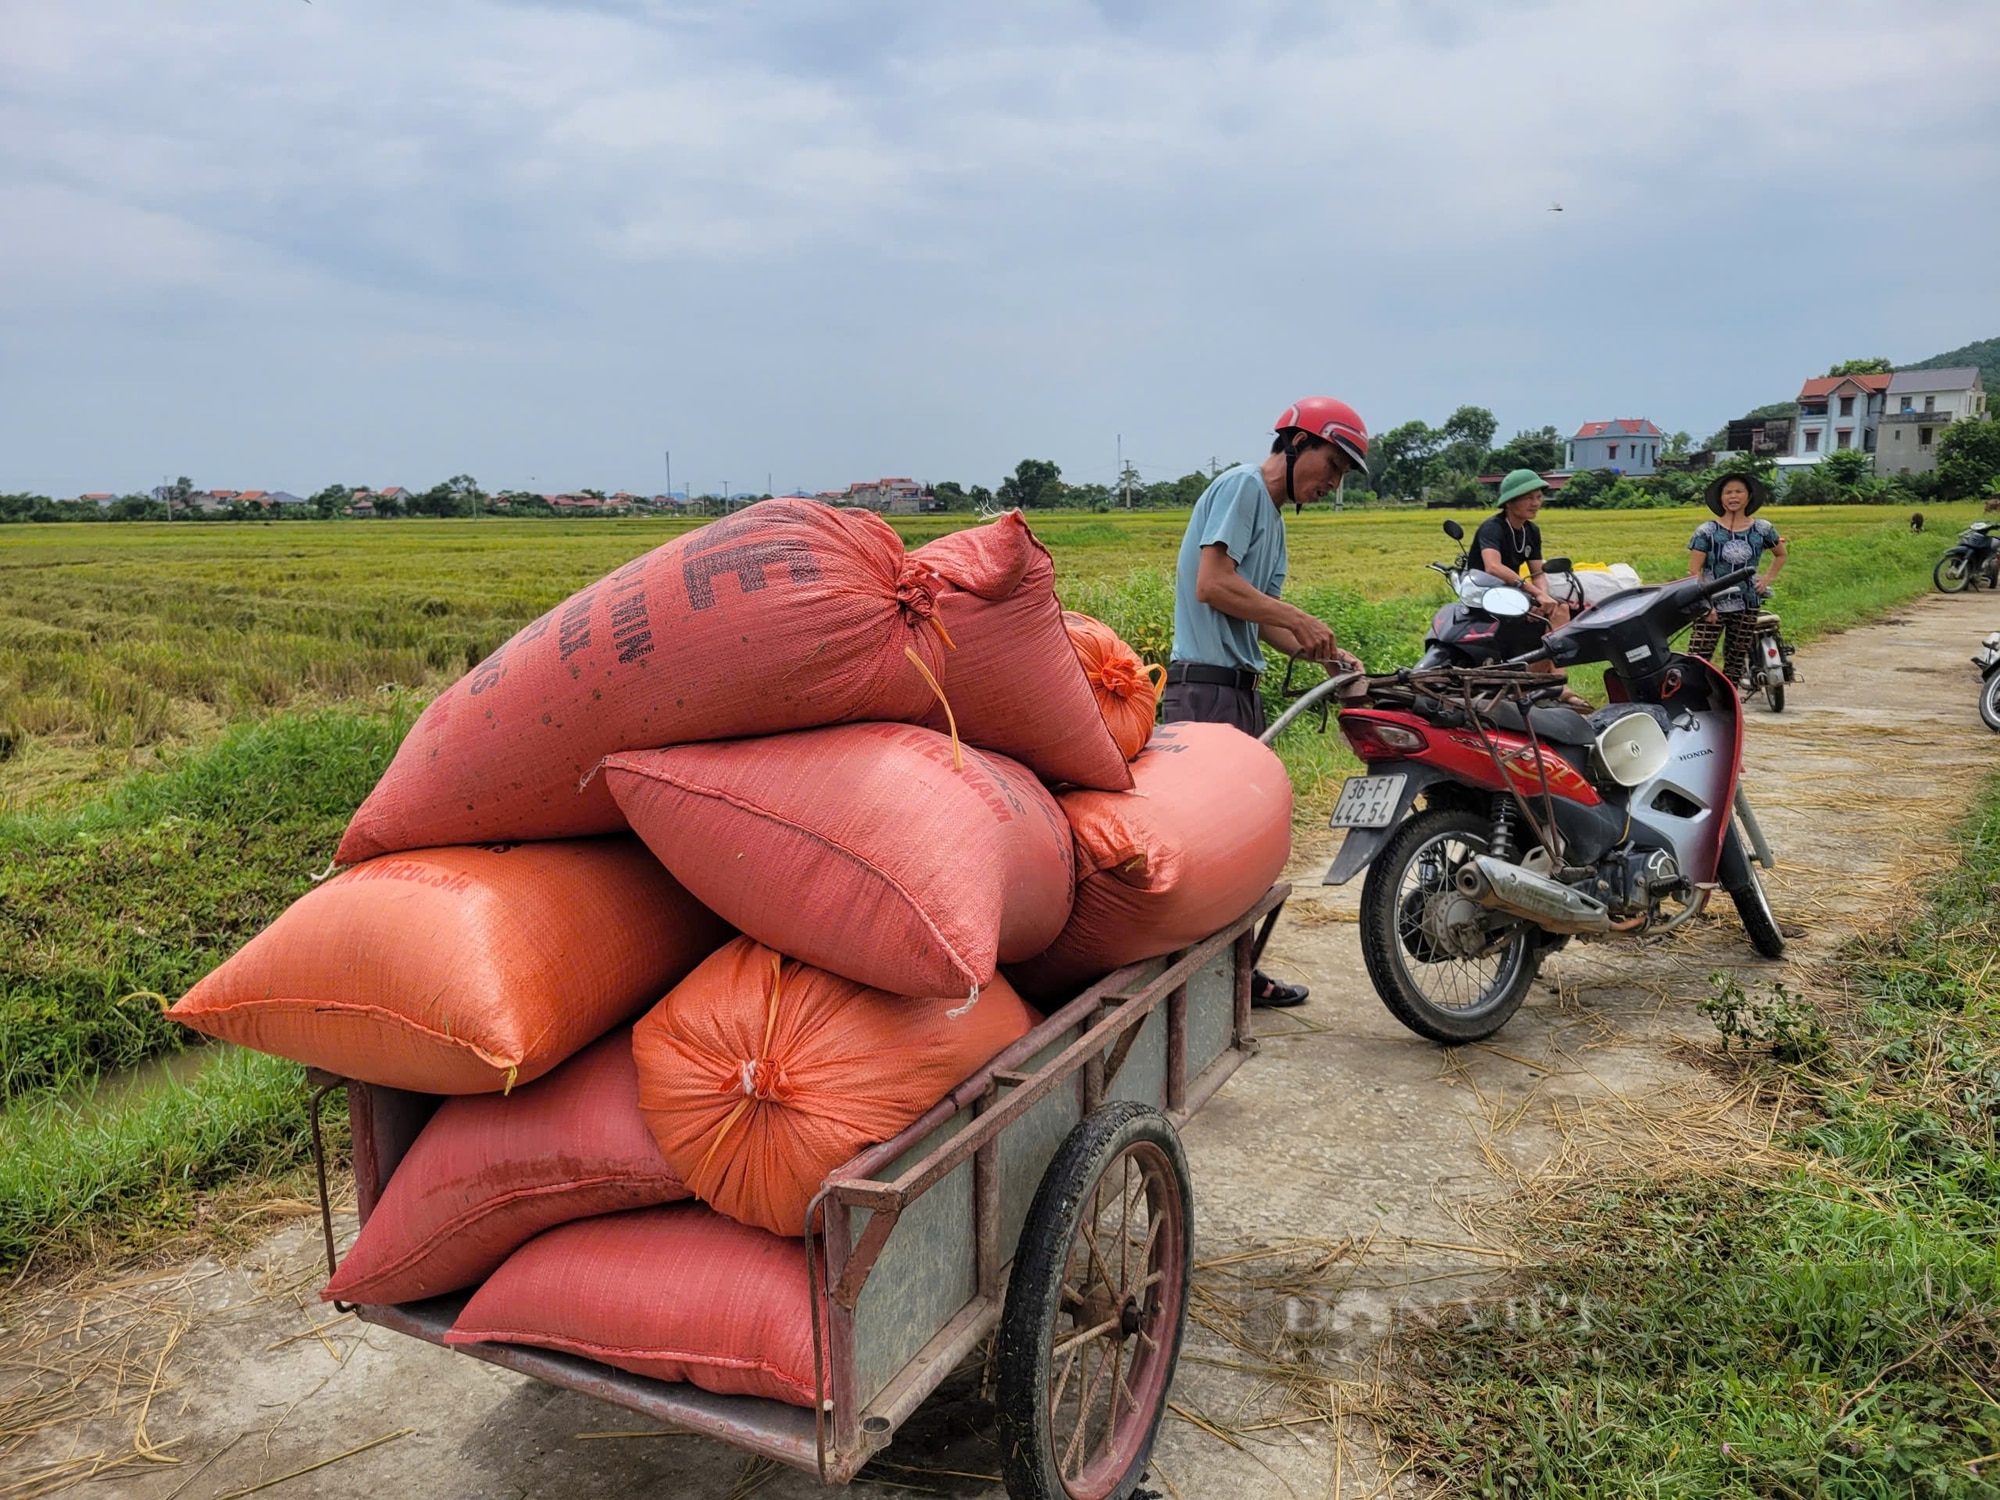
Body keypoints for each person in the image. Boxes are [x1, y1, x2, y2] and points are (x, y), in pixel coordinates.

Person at [1165, 397, 1368, 1008]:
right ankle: (1198, 979)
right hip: (1205, 692)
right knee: (1206, 849)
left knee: (1238, 847)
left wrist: (1324, 652)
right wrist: (1297, 614)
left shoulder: (1273, 521)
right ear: (1296, 443)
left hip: (1237, 692)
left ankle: (1231, 978)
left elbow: (1260, 623)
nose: (1332, 483)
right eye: (1332, 464)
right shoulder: (1243, 489)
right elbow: (1213, 584)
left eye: (1341, 476)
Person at [1687, 472, 1785, 685]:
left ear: (1748, 497)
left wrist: (1767, 578)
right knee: (1698, 656)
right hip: (1712, 603)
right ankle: (1695, 699)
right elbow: (1694, 571)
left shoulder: (1762, 529)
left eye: (1739, 491)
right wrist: (1706, 604)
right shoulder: (1706, 532)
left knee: (1736, 656)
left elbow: (1781, 554)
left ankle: (1729, 703)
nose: (1733, 496)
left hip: (1747, 602)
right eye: (1728, 492)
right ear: (1720, 498)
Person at [1474, 470, 1571, 630]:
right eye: (1528, 498)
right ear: (1509, 502)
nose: (1535, 503)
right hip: (1486, 593)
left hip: (1513, 592)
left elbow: (1538, 574)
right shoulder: (1492, 527)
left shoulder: (1532, 531)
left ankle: (1550, 654)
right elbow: (1493, 567)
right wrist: (1535, 593)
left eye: (1539, 497)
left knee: (1560, 608)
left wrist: (1543, 599)